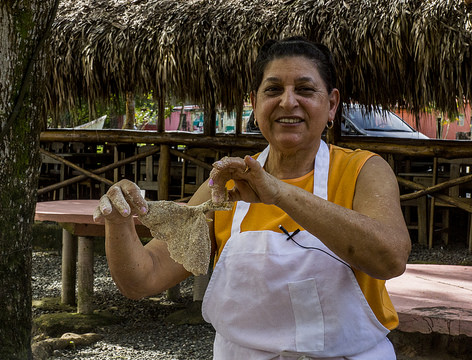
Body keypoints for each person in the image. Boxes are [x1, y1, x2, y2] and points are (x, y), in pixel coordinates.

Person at [93, 37, 411, 359]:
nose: (288, 102)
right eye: (273, 90)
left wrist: (279, 193)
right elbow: (142, 279)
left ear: (331, 104)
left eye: (305, 89)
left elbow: (390, 259)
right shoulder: (224, 189)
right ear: (255, 104)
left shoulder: (362, 171)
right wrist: (118, 223)